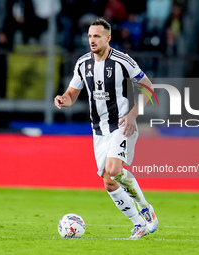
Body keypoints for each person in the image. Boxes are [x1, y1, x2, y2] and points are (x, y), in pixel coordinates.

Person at [54, 18, 158, 239]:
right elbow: (72, 94)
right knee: (109, 182)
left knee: (113, 169)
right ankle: (138, 223)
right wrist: (63, 99)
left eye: (97, 36)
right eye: (90, 36)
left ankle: (145, 206)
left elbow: (148, 87)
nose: (92, 40)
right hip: (99, 130)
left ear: (108, 38)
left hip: (122, 123)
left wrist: (133, 115)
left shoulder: (122, 61)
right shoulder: (83, 64)